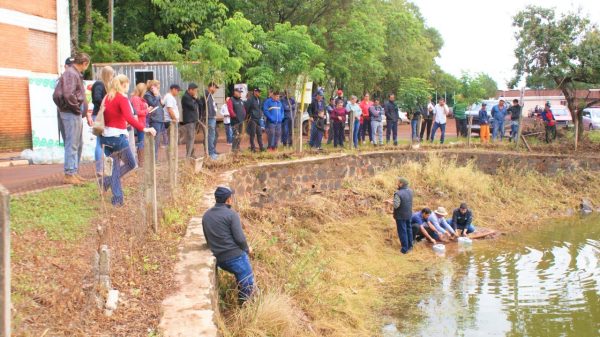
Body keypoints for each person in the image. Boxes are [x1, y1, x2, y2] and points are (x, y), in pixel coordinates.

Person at [100, 75, 156, 206]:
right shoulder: (122, 98)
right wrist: (144, 129)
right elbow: (129, 118)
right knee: (131, 163)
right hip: (118, 137)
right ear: (123, 84)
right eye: (127, 84)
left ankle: (109, 186)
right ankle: (116, 197)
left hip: (106, 137)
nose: (128, 87)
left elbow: (106, 117)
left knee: (116, 167)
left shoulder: (107, 97)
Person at [202, 186, 255, 303]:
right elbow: (240, 239)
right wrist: (247, 249)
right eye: (231, 197)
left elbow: (208, 238)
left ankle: (242, 300)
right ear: (228, 199)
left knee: (242, 278)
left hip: (219, 258)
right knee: (248, 281)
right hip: (234, 257)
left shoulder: (206, 215)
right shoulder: (231, 214)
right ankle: (245, 305)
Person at [53, 52, 91, 185]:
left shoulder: (73, 73)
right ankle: (69, 173)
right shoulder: (71, 73)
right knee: (72, 143)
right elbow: (69, 94)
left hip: (73, 113)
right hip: (71, 113)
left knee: (77, 143)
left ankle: (73, 171)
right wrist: (76, 109)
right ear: (85, 63)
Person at [91, 66, 114, 175]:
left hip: (106, 116)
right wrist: (107, 105)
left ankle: (105, 168)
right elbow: (96, 98)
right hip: (99, 116)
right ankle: (99, 169)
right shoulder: (99, 84)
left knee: (104, 142)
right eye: (111, 75)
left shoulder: (107, 86)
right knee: (100, 142)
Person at [144, 80, 164, 159]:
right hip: (154, 118)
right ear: (153, 86)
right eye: (157, 86)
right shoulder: (148, 94)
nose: (158, 88)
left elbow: (161, 105)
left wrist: (162, 102)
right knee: (154, 139)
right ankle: (153, 159)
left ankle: (155, 158)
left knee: (158, 139)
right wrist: (157, 96)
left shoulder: (157, 94)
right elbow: (153, 104)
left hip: (159, 118)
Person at [393, 177, 413, 254]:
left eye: (398, 182)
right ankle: (410, 247)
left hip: (400, 216)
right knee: (409, 230)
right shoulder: (411, 191)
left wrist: (390, 202)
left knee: (402, 231)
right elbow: (405, 201)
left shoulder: (398, 193)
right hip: (409, 214)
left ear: (401, 184)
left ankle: (404, 249)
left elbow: (396, 206)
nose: (397, 184)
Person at [130, 83, 149, 166]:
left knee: (142, 141)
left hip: (142, 122)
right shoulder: (136, 98)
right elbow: (137, 112)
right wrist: (146, 111)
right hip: (139, 123)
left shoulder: (138, 98)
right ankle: (141, 161)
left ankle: (141, 160)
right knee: (141, 141)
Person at [199, 82, 220, 159]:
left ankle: (212, 150)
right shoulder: (206, 94)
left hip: (212, 117)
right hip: (208, 118)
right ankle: (210, 153)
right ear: (211, 87)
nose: (215, 90)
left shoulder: (210, 95)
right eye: (215, 88)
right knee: (210, 136)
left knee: (214, 135)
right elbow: (201, 105)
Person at [181, 83, 200, 158]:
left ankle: (191, 154)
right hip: (189, 121)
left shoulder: (191, 97)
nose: (195, 92)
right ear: (190, 90)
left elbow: (199, 104)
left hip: (193, 120)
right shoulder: (186, 97)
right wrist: (195, 100)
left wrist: (196, 99)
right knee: (190, 138)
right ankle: (189, 155)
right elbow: (194, 107)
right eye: (194, 90)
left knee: (192, 138)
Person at [245, 87, 265, 152]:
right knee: (252, 134)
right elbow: (246, 108)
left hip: (258, 119)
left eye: (259, 92)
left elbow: (260, 108)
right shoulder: (250, 99)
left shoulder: (259, 99)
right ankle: (252, 148)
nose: (259, 93)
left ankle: (261, 147)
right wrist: (249, 116)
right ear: (255, 92)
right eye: (258, 91)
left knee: (259, 134)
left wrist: (260, 114)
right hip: (252, 119)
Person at [228, 88, 247, 152]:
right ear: (235, 92)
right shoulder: (231, 100)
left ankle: (238, 147)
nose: (240, 93)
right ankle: (234, 149)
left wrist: (244, 115)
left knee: (240, 135)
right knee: (235, 135)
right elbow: (230, 110)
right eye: (239, 92)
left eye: (240, 92)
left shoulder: (241, 100)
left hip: (241, 121)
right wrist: (235, 116)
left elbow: (243, 109)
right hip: (235, 122)